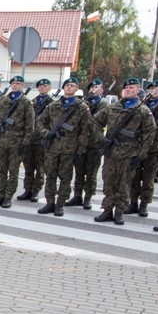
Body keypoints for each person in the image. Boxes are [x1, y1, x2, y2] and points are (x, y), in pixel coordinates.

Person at [93, 78, 156, 225]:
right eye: (126, 87)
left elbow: (150, 134)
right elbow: (95, 122)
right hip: (111, 152)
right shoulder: (112, 108)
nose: (128, 90)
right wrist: (102, 139)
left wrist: (141, 155)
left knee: (124, 184)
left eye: (132, 88)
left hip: (129, 154)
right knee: (109, 182)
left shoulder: (143, 111)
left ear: (138, 91)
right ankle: (107, 209)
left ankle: (120, 211)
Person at [36, 77, 95, 216]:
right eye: (67, 85)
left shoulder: (82, 107)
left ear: (77, 89)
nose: (69, 87)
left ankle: (60, 204)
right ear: (63, 88)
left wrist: (80, 149)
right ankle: (50, 202)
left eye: (73, 85)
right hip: (52, 147)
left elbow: (85, 130)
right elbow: (39, 121)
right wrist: (46, 133)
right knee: (50, 175)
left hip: (70, 149)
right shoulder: (52, 106)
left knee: (65, 177)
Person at [0, 75, 35, 208]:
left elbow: (30, 125)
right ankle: (0, 195)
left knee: (13, 171)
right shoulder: (2, 100)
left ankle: (8, 196)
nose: (15, 85)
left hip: (17, 141)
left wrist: (25, 142)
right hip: (1, 140)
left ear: (23, 86)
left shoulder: (26, 102)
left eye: (18, 83)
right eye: (13, 83)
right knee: (0, 169)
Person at [127, 81, 158, 216]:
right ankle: (133, 202)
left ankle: (144, 204)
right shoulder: (140, 106)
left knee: (148, 178)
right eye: (150, 88)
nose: (153, 90)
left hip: (153, 149)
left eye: (156, 88)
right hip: (137, 146)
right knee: (134, 177)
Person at [66, 78, 108, 210]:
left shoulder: (104, 105)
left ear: (102, 90)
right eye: (91, 87)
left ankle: (88, 197)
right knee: (79, 171)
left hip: (94, 143)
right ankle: (77, 195)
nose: (94, 89)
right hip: (79, 142)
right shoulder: (82, 103)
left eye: (97, 87)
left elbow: (99, 122)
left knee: (91, 173)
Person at [19, 79, 54, 202]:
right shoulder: (32, 102)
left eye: (45, 86)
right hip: (30, 139)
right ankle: (27, 189)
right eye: (40, 86)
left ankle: (36, 191)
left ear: (49, 87)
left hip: (41, 140)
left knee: (40, 168)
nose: (42, 88)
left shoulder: (52, 103)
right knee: (28, 167)